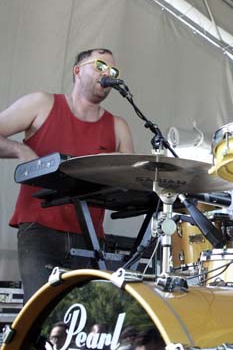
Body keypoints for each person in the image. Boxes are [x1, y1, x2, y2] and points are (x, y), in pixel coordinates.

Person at [0, 48, 134, 302]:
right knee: (43, 314)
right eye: (99, 66)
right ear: (77, 70)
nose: (107, 73)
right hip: (40, 231)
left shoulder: (118, 126)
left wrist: (115, 172)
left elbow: (129, 185)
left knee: (85, 321)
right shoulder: (42, 103)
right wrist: (20, 149)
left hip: (90, 238)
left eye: (112, 71)